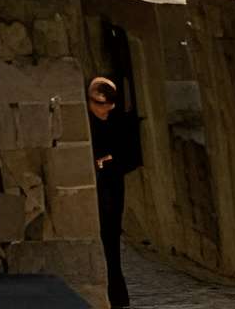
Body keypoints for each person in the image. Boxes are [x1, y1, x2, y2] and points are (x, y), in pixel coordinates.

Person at [87, 73, 139, 309]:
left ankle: (116, 296)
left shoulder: (118, 123)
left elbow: (129, 156)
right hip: (94, 189)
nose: (106, 110)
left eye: (109, 105)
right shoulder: (87, 122)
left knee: (110, 241)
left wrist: (107, 162)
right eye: (100, 105)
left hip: (111, 189)